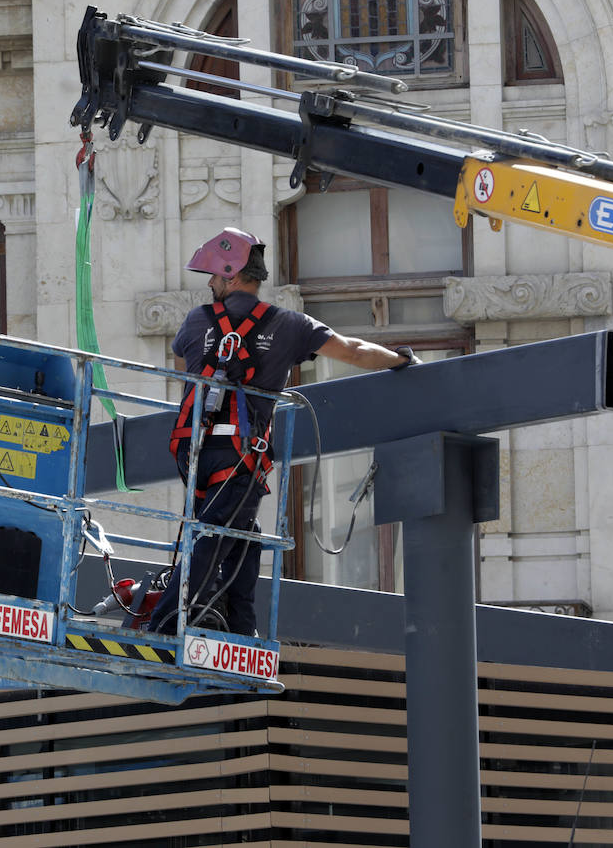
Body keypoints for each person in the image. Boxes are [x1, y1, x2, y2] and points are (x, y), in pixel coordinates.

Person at [146, 228, 419, 638]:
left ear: (231, 274)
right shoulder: (289, 325)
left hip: (192, 449)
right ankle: (168, 621)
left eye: (214, 277)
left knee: (238, 532)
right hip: (240, 455)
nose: (209, 284)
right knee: (218, 532)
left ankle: (240, 625)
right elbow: (355, 351)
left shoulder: (196, 320)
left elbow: (181, 350)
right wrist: (400, 359)